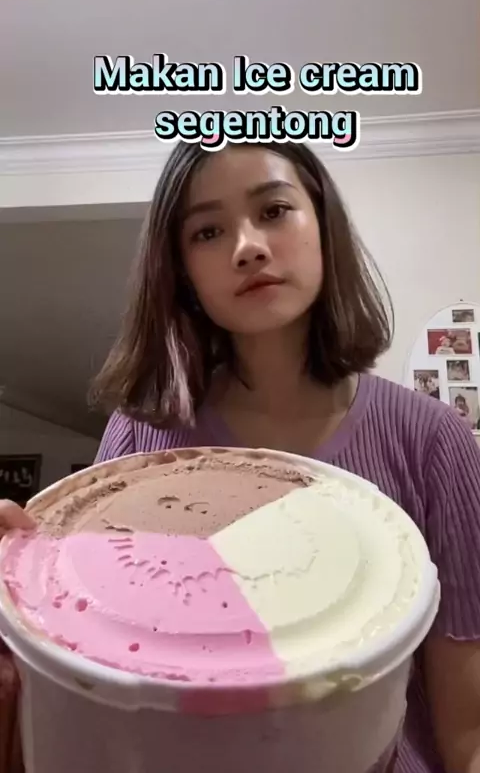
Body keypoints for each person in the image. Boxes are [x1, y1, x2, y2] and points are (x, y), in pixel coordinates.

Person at [1, 140, 480, 773]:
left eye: (274, 210)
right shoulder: (141, 439)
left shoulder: (434, 439)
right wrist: (24, 607)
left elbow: (467, 733)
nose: (247, 246)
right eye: (207, 231)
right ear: (183, 272)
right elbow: (97, 691)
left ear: (323, 226)